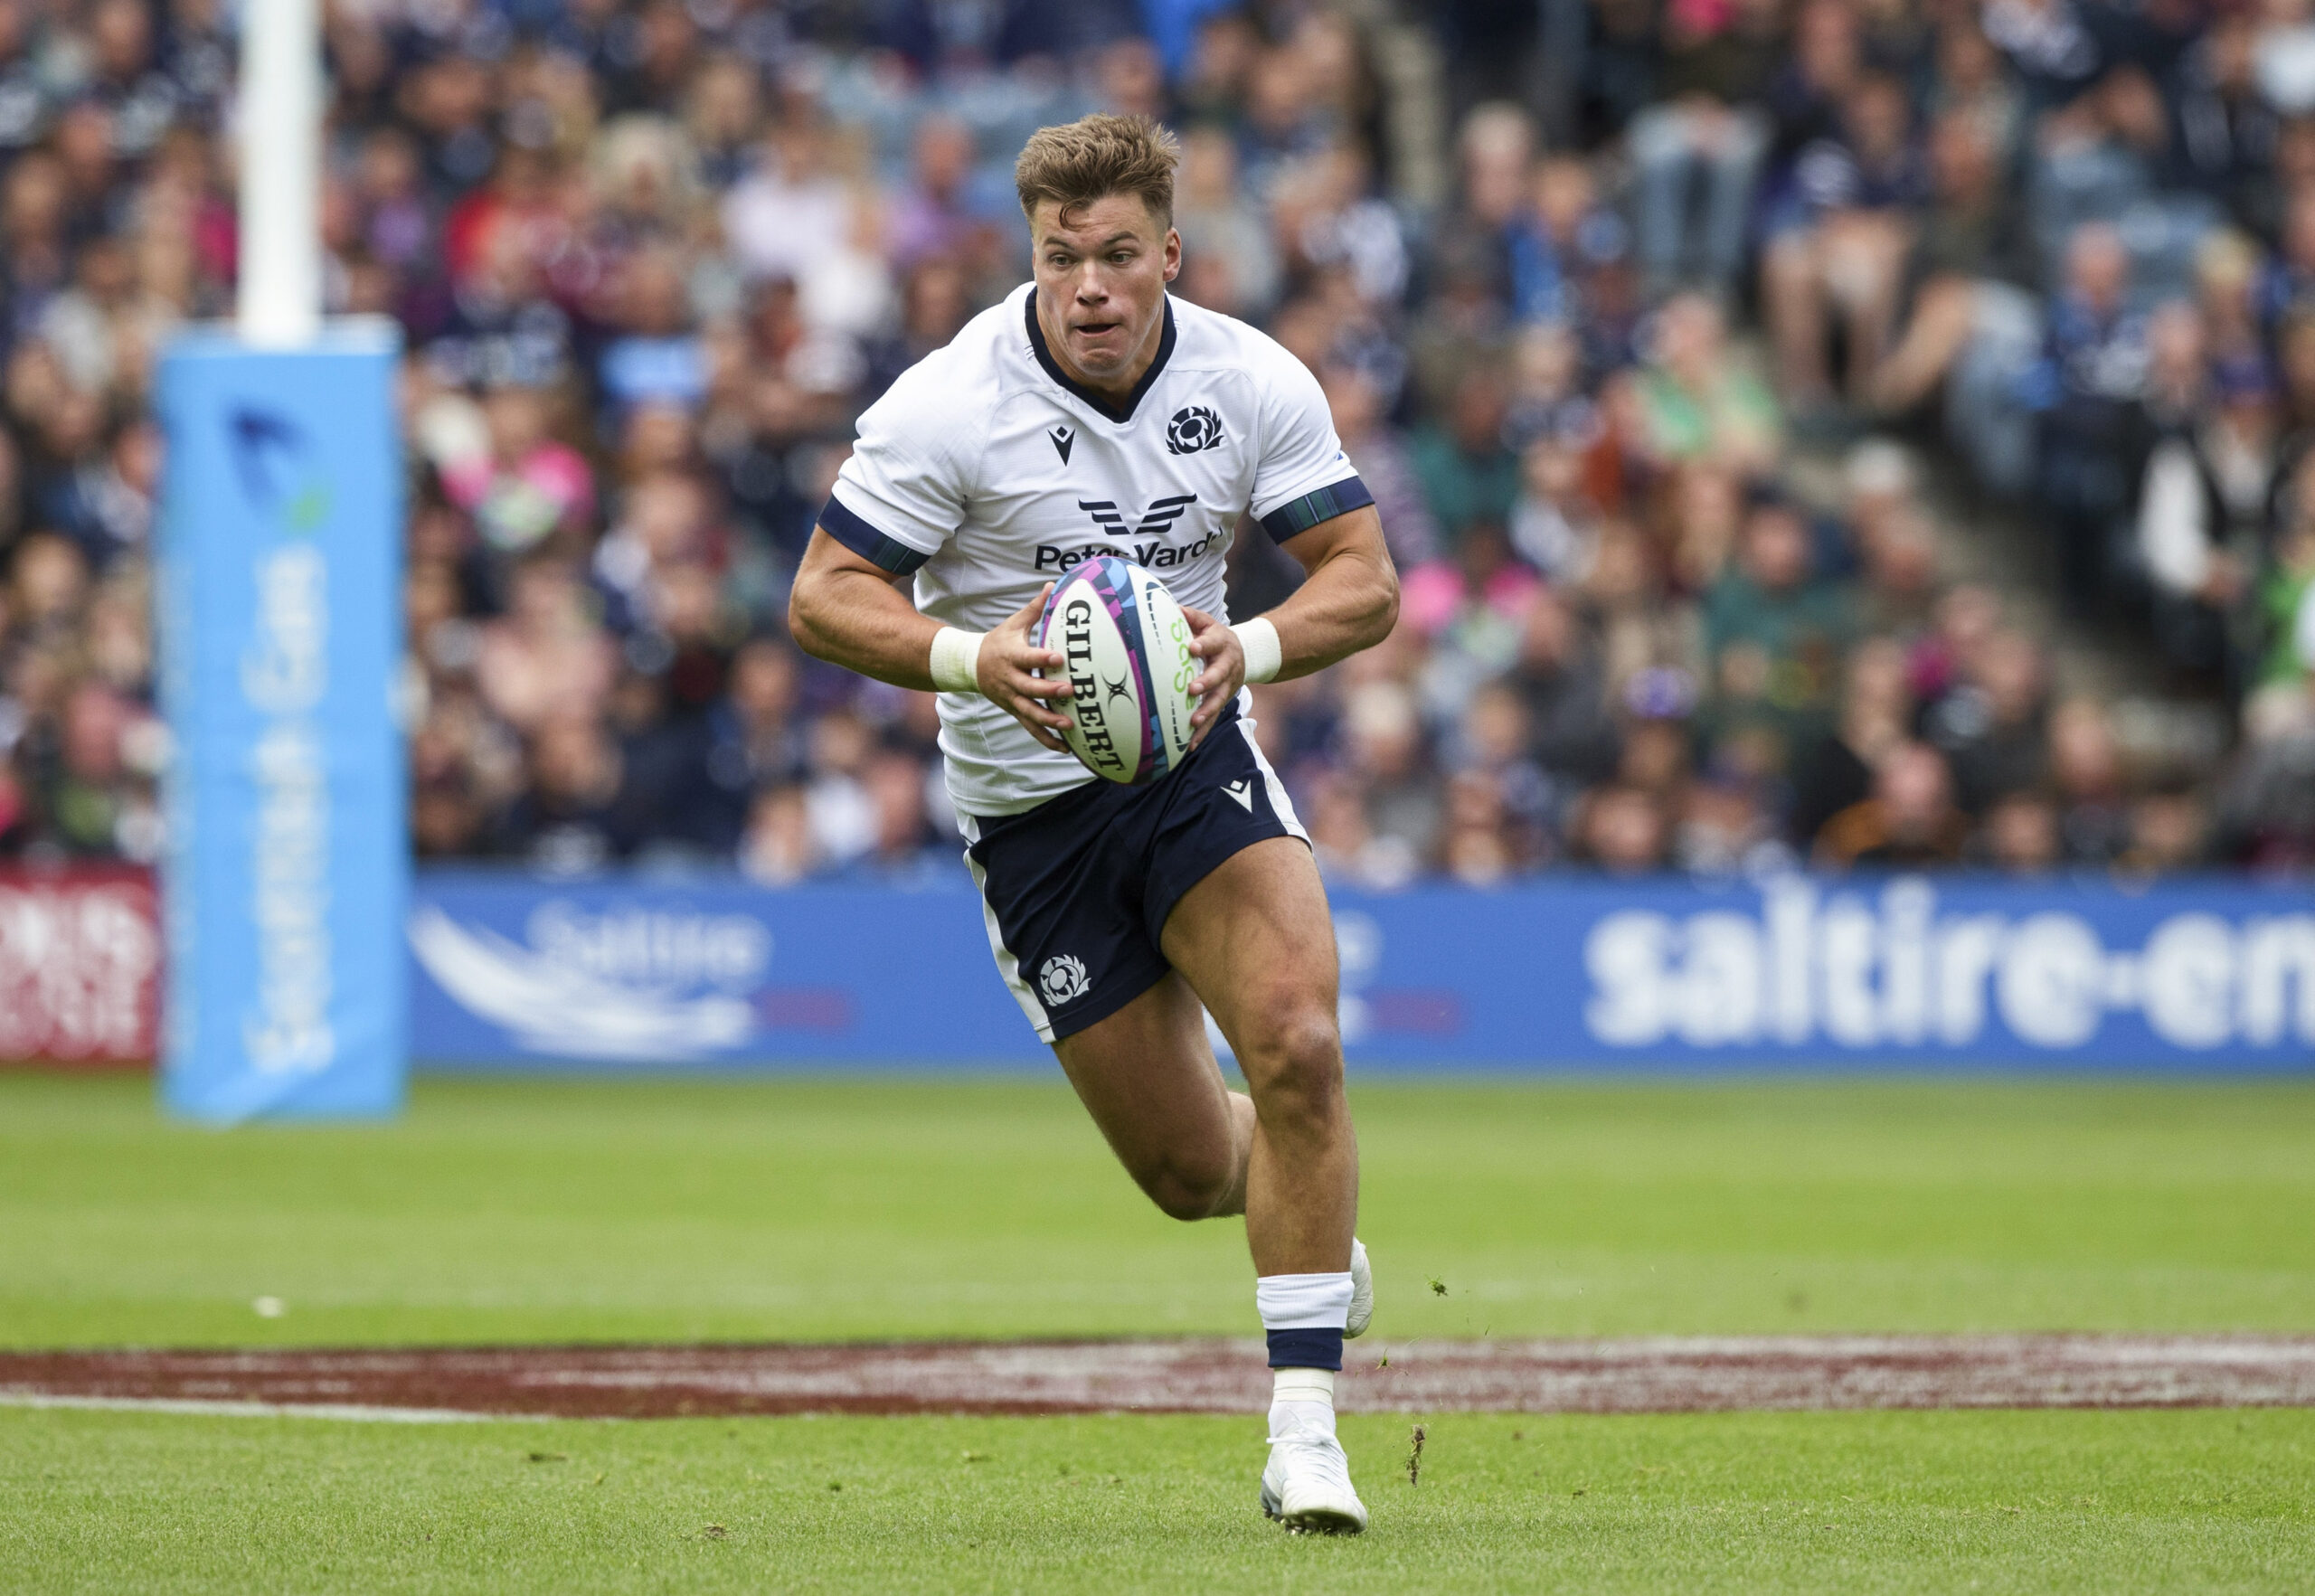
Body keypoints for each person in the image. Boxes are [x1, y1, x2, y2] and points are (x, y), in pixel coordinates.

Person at [785, 114, 1399, 1535]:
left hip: (1192, 762)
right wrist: (971, 657)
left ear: (1170, 253)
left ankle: (1305, 1432)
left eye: (1119, 255)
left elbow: (1365, 576)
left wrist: (1250, 645)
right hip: (1031, 817)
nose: (1091, 288)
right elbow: (823, 596)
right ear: (1034, 257)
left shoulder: (1249, 379)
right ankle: (1306, 1215)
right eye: (1062, 258)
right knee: (1188, 1172)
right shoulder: (951, 403)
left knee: (1299, 1045)